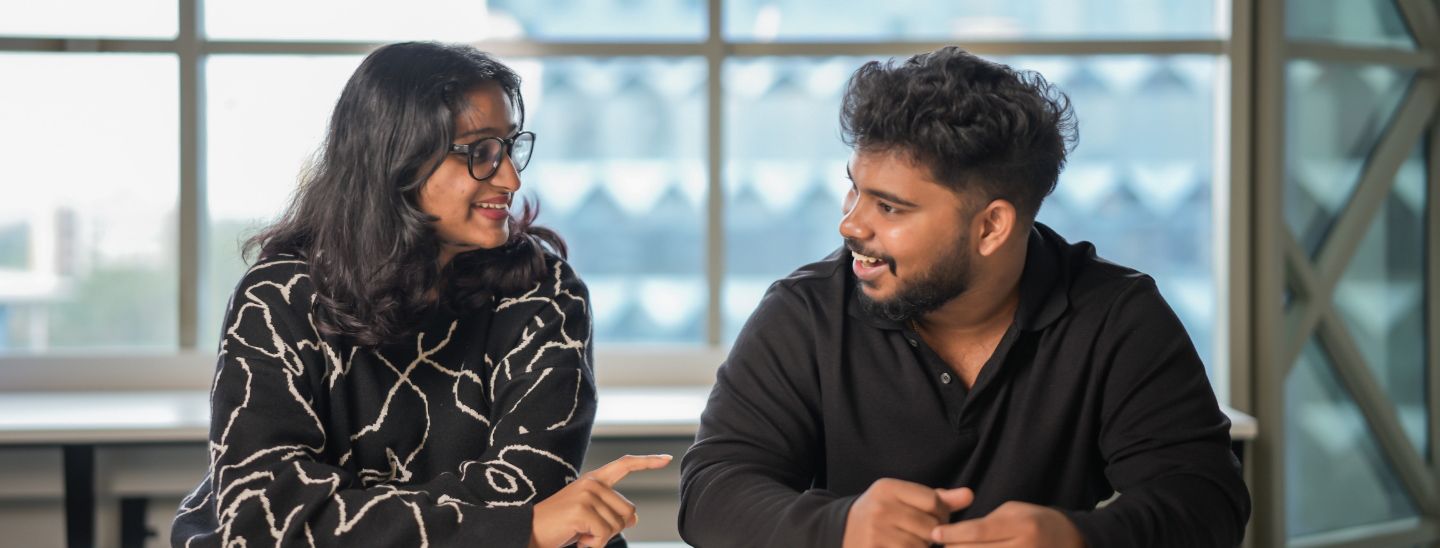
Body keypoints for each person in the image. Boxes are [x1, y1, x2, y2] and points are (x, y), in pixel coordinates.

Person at [678, 46, 1249, 547]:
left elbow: (1207, 500)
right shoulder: (804, 313)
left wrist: (1081, 539)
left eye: (889, 207)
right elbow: (712, 491)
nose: (850, 224)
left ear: (991, 227)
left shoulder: (1118, 316)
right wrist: (840, 528)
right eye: (854, 189)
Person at [172, 41, 669, 548]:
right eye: (479, 152)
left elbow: (532, 496)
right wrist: (517, 531)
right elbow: (262, 519)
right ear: (397, 160)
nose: (511, 177)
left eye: (509, 146)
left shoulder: (544, 294)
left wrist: (340, 516)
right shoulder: (278, 297)